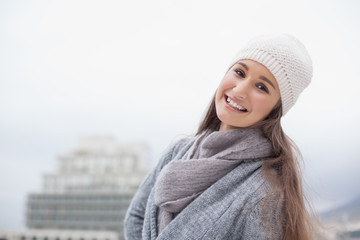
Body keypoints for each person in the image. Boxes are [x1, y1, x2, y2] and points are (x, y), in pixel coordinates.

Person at [124, 34, 318, 240]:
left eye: (262, 87)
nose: (240, 90)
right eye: (240, 72)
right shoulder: (178, 151)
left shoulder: (264, 193)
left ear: (275, 109)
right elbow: (136, 217)